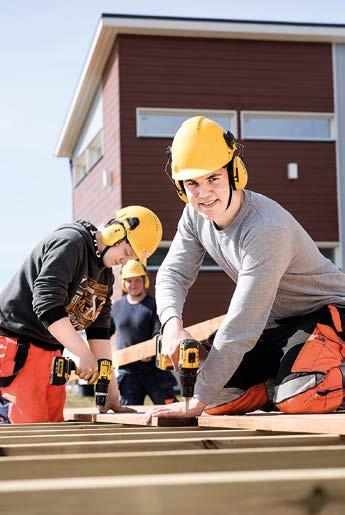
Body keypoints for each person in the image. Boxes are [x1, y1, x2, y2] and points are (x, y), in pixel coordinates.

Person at [146, 115, 345, 422]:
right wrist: (171, 324)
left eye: (213, 178)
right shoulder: (194, 216)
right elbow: (172, 273)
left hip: (328, 314)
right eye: (192, 183)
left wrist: (196, 400)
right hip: (277, 323)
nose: (203, 193)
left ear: (235, 172)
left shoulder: (266, 229)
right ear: (181, 187)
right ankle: (280, 386)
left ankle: (296, 386)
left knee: (302, 396)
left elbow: (241, 325)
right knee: (215, 395)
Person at [0, 205, 162, 424]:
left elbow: (99, 330)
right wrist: (83, 353)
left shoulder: (105, 275)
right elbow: (47, 304)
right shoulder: (71, 243)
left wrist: (111, 390)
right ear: (116, 232)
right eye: (126, 253)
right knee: (24, 427)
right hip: (17, 344)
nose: (125, 261)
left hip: (51, 351)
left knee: (51, 423)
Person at [111, 259, 177, 406]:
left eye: (137, 280)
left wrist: (151, 350)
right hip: (128, 373)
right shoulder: (117, 307)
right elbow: (105, 333)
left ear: (144, 280)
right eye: (129, 281)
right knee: (127, 419)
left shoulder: (154, 305)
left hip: (155, 370)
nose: (133, 285)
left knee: (170, 412)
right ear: (123, 283)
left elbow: (158, 332)